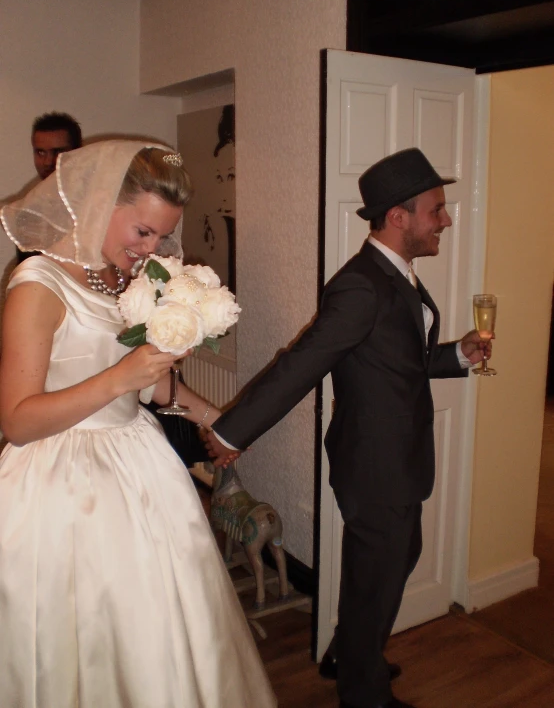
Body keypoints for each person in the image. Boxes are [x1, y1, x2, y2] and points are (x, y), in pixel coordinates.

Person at [204, 148, 493, 708]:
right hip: (376, 464)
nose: (447, 220)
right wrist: (232, 431)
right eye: (437, 209)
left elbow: (397, 359)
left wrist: (456, 354)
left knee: (395, 561)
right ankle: (364, 694)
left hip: (396, 461)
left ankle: (347, 651)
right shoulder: (362, 286)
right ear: (398, 216)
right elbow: (303, 362)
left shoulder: (395, 277)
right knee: (378, 576)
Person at [0, 140, 276, 708]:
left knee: (161, 626)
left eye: (162, 235)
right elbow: (18, 420)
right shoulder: (36, 285)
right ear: (99, 202)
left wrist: (215, 419)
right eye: (142, 233)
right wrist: (121, 378)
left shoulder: (116, 278)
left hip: (139, 467)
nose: (152, 249)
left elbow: (147, 381)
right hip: (61, 484)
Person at [14, 112, 83, 265]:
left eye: (57, 152)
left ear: (78, 152)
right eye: (40, 152)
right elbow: (29, 269)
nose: (47, 161)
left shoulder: (97, 201)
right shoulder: (29, 211)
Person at [31, 110, 82, 180]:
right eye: (41, 153)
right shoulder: (32, 191)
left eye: (58, 152)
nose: (48, 162)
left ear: (78, 152)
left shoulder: (97, 188)